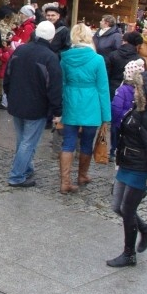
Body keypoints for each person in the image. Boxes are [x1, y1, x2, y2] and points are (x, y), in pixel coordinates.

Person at [106, 66, 147, 268]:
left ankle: (129, 254)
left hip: (139, 169)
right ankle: (146, 229)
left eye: (138, 87)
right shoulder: (138, 107)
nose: (134, 90)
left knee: (127, 209)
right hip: (127, 163)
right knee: (117, 206)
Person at [3, 20, 62, 188]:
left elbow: (7, 75)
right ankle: (17, 175)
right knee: (28, 142)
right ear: (51, 37)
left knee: (23, 140)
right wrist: (57, 110)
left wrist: (9, 95)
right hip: (36, 106)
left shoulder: (21, 50)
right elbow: (54, 87)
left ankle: (26, 168)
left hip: (17, 102)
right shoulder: (50, 57)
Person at [58, 24, 111, 194]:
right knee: (87, 142)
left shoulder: (64, 57)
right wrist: (106, 116)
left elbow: (62, 83)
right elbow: (103, 88)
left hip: (71, 101)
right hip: (91, 104)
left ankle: (65, 181)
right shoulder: (97, 59)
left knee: (68, 142)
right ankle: (82, 175)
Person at [111, 59, 147, 155]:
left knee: (116, 135)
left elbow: (116, 107)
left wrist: (114, 120)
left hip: (121, 120)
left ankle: (114, 151)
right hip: (136, 121)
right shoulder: (143, 89)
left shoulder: (122, 89)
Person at [106, 31, 143, 97]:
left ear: (125, 41)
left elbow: (107, 74)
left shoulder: (112, 55)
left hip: (112, 88)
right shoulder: (139, 60)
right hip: (131, 90)